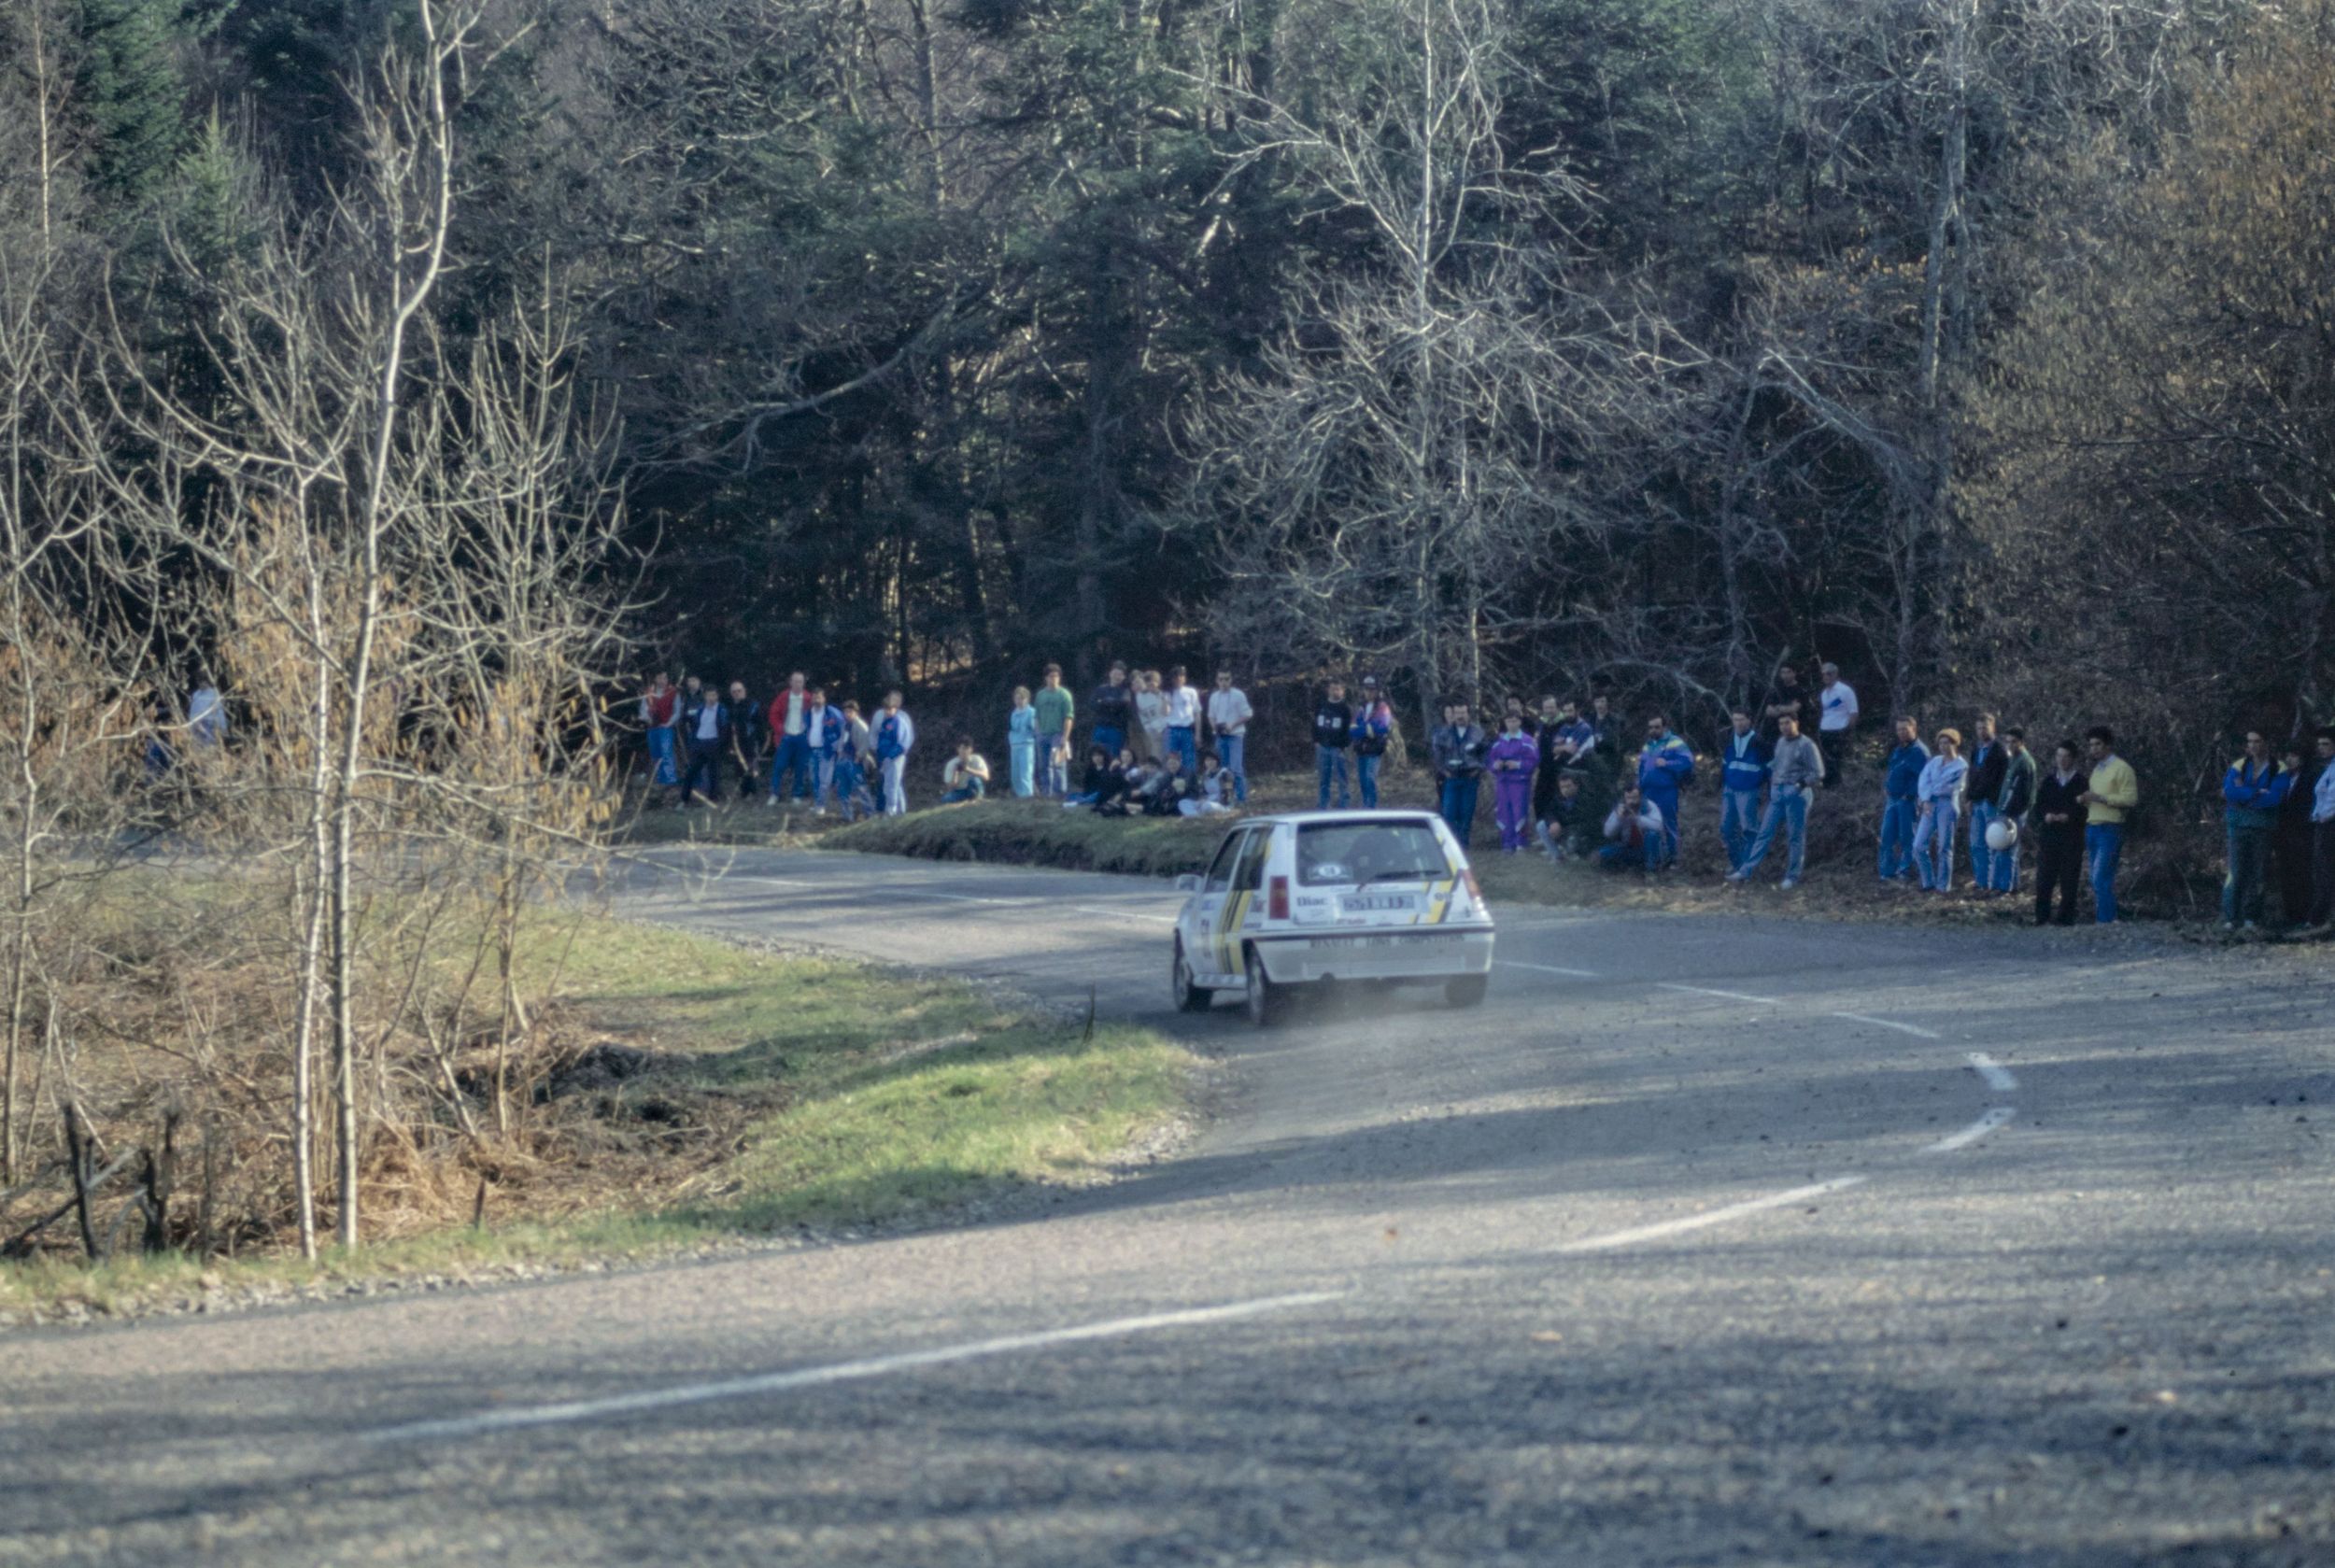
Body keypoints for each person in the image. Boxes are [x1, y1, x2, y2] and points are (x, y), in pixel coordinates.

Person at [1727, 711, 1821, 888]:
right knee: (1764, 832)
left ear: (1796, 723)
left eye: (1787, 723)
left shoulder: (1806, 744)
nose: (1784, 727)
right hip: (1777, 793)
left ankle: (1792, 876)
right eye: (1781, 724)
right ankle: (1746, 870)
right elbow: (1776, 766)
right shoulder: (1780, 742)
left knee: (1795, 836)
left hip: (1797, 795)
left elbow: (1817, 772)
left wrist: (1799, 786)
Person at [2219, 730, 2289, 931]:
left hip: (2263, 827)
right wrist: (2257, 792)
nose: (2253, 746)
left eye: (2257, 741)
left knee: (2258, 873)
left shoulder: (2278, 767)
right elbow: (2230, 792)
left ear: (2266, 743)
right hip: (2238, 825)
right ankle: (2230, 917)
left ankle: (2251, 917)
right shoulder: (2239, 765)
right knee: (2235, 871)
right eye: (2249, 742)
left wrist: (2245, 794)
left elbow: (2274, 798)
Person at [2080, 727, 2139, 923]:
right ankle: (2105, 917)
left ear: (2108, 745)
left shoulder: (2122, 769)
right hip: (2093, 827)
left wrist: (2101, 798)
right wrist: (2087, 800)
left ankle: (2106, 919)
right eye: (2091, 745)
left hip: (2111, 828)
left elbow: (2130, 799)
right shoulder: (2097, 770)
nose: (2093, 749)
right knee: (2095, 878)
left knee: (2101, 876)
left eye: (2097, 744)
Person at [2029, 741, 2088, 926]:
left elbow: (2086, 809)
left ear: (2073, 758)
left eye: (2066, 756)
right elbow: (2038, 806)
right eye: (2059, 756)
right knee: (2045, 877)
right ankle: (2042, 916)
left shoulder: (2081, 782)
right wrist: (2045, 816)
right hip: (2049, 835)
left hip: (2071, 836)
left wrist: (2069, 816)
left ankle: (2066, 917)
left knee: (2069, 877)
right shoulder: (2049, 781)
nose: (2062, 760)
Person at [1635, 714, 1695, 869]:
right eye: (1651, 727)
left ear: (1665, 727)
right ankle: (1652, 859)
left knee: (1669, 824)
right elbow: (1641, 767)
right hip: (1648, 791)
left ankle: (1673, 860)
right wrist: (1638, 786)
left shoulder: (1675, 742)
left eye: (1657, 727)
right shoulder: (1648, 745)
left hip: (1667, 790)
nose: (1653, 730)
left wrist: (1667, 763)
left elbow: (1688, 761)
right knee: (1649, 825)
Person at [1912, 727, 1967, 892]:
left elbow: (1951, 786)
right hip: (1930, 804)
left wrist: (1933, 789)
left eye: (1947, 743)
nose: (1943, 746)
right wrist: (1926, 799)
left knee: (1944, 846)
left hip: (1947, 805)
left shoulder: (1961, 765)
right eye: (1941, 743)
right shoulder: (1935, 761)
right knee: (1919, 845)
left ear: (1955, 744)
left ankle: (1943, 886)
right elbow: (1923, 780)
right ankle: (1928, 882)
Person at [1717, 708, 1772, 871]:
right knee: (1726, 829)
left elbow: (1769, 768)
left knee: (1749, 829)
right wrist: (1720, 783)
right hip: (1730, 789)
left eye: (1741, 720)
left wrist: (1769, 791)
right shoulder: (1728, 738)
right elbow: (1725, 762)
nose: (1738, 723)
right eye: (1735, 720)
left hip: (1749, 790)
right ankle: (1737, 863)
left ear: (1749, 721)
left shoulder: (1759, 742)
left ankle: (1748, 867)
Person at [1988, 727, 2038, 896]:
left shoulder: (2025, 762)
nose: (2010, 745)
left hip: (2014, 813)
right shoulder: (2013, 760)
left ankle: (2005, 888)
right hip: (2005, 810)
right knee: (2003, 848)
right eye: (2008, 741)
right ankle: (2011, 886)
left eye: (2014, 742)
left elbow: (2022, 793)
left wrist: (2010, 813)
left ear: (2022, 742)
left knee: (2008, 849)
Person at [1430, 700, 1488, 848]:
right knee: (1449, 812)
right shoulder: (1444, 733)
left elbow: (1486, 753)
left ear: (1468, 713)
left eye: (1463, 713)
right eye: (1457, 713)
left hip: (1470, 778)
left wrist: (1479, 769)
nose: (1460, 716)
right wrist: (1443, 771)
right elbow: (1437, 755)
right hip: (1451, 777)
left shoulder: (1478, 732)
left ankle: (1464, 845)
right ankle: (1451, 845)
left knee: (1466, 814)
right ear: (1453, 714)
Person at [2275, 742, 2320, 928]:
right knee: (2286, 874)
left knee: (2302, 874)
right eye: (2288, 756)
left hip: (2302, 834)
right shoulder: (2284, 779)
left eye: (2294, 756)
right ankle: (2290, 914)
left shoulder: (2310, 778)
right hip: (2283, 835)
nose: (2289, 760)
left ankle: (2304, 915)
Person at [1878, 717, 1928, 883]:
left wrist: (1910, 794)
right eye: (1899, 730)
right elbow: (1892, 770)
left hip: (1908, 801)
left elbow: (1923, 778)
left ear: (1914, 729)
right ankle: (1886, 872)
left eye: (1905, 729)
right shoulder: (1898, 750)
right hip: (1892, 799)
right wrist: (1887, 786)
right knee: (1887, 836)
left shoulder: (1919, 751)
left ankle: (1905, 871)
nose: (1902, 733)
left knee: (1907, 837)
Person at [1965, 714, 2008, 894]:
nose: (1982, 731)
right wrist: (1968, 797)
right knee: (1977, 844)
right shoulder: (1976, 748)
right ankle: (1981, 881)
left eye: (1985, 727)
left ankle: (1994, 882)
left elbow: (2002, 778)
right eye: (1979, 728)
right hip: (1977, 802)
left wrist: (1996, 798)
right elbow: (1973, 774)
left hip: (1992, 802)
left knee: (1994, 843)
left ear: (1993, 727)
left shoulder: (2000, 749)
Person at [1487, 711, 1538, 854]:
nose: (1512, 724)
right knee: (1504, 812)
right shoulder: (1499, 742)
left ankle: (1520, 843)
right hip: (1503, 782)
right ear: (1505, 723)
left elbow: (1533, 761)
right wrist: (1495, 766)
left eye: (1514, 721)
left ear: (1520, 722)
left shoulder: (1527, 741)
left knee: (1519, 811)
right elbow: (1490, 761)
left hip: (1520, 782)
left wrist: (1518, 765)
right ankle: (1507, 843)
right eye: (1509, 721)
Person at [1205, 671, 1253, 805]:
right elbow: (1211, 715)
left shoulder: (1238, 695)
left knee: (1236, 768)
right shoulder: (1214, 696)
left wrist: (1232, 724)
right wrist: (1214, 727)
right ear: (1217, 680)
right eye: (1221, 679)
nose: (1224, 682)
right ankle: (1226, 797)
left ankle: (1241, 798)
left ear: (1231, 680)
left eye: (1226, 679)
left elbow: (1248, 714)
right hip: (1220, 736)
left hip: (1235, 736)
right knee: (1222, 769)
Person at [765, 672, 813, 804]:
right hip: (785, 737)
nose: (798, 684)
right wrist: (780, 728)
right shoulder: (783, 697)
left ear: (803, 683)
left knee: (800, 767)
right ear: (790, 682)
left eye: (800, 682)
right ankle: (774, 794)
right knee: (779, 766)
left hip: (802, 737)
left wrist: (808, 733)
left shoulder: (809, 698)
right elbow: (773, 713)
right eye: (795, 681)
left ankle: (796, 795)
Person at [681, 680, 729, 805]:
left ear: (717, 696)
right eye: (709, 695)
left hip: (713, 743)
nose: (711, 698)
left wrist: (720, 744)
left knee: (713, 773)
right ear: (705, 696)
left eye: (714, 695)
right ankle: (684, 798)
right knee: (691, 772)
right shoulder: (701, 709)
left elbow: (724, 728)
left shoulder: (722, 710)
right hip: (700, 743)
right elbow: (695, 724)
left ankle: (713, 798)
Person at [1599, 784, 1665, 873]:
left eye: (1634, 798)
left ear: (1640, 797)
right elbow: (1607, 833)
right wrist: (1618, 819)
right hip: (1628, 848)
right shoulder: (1620, 808)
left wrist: (1637, 818)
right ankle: (1624, 868)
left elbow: (1658, 826)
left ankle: (1651, 871)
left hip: (1647, 848)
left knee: (1652, 835)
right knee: (1604, 853)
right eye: (1628, 798)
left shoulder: (1649, 806)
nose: (1631, 801)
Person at [1032, 664, 1075, 798]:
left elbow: (1069, 717)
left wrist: (1065, 737)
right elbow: (1037, 716)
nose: (1054, 679)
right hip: (1043, 734)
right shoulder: (1040, 695)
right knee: (1043, 765)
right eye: (1051, 676)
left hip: (1058, 734)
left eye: (1056, 676)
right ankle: (1047, 793)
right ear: (1046, 678)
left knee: (1058, 764)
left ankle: (1060, 793)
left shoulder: (1064, 695)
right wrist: (1038, 733)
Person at [1351, 676, 1394, 808]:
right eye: (1367, 690)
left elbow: (1381, 728)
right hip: (1361, 748)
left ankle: (1372, 806)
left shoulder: (1383, 707)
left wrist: (1364, 728)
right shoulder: (1361, 707)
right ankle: (1365, 806)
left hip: (1374, 749)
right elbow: (1352, 729)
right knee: (1362, 779)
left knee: (1370, 777)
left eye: (1372, 690)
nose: (1369, 692)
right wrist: (1367, 729)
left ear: (1377, 691)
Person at [1312, 680, 1354, 811]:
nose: (1335, 691)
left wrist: (1343, 746)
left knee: (1342, 777)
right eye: (1333, 689)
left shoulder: (1345, 709)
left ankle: (1344, 805)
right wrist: (1316, 741)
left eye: (1338, 689)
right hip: (1322, 747)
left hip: (1338, 748)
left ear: (1343, 691)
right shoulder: (1321, 705)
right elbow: (1314, 724)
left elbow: (1349, 730)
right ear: (1328, 690)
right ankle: (1323, 805)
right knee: (1324, 778)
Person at [803, 684, 845, 812]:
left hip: (826, 750)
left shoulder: (832, 713)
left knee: (824, 780)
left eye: (819, 697)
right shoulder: (808, 714)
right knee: (814, 778)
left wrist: (838, 746)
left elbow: (843, 729)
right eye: (814, 697)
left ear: (824, 699)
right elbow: (805, 729)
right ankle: (817, 804)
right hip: (812, 750)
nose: (817, 700)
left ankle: (821, 806)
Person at [721, 681, 765, 799]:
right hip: (736, 743)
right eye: (734, 691)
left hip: (751, 741)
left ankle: (753, 792)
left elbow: (760, 724)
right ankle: (744, 792)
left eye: (739, 691)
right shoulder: (730, 708)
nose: (737, 693)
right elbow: (728, 727)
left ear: (744, 691)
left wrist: (761, 741)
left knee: (751, 766)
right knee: (739, 768)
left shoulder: (753, 705)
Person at [1817, 662, 1858, 787]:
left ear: (1835, 674)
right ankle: (1827, 785)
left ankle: (1837, 786)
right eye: (1823, 674)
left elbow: (1853, 712)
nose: (1826, 677)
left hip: (1840, 730)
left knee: (1837, 760)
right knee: (1826, 759)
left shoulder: (1845, 690)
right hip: (1825, 730)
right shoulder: (1824, 693)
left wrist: (1847, 731)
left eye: (1829, 674)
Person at [2309, 728, 2335, 929]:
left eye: (2325, 744)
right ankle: (2321, 915)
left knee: (2327, 871)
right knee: (2321, 871)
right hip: (2322, 823)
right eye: (2319, 745)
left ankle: (2324, 916)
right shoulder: (2328, 768)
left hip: (2330, 824)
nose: (2321, 748)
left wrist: (2327, 816)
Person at [875, 690, 915, 815]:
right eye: (886, 709)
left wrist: (891, 755)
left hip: (896, 758)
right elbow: (881, 741)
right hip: (886, 758)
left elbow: (904, 743)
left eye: (890, 709)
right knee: (892, 785)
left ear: (895, 708)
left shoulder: (899, 722)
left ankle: (891, 810)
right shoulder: (885, 722)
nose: (888, 711)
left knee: (893, 784)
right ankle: (901, 811)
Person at [834, 701, 875, 822]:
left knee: (860, 787)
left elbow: (866, 743)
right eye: (846, 712)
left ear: (856, 713)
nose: (847, 714)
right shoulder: (845, 725)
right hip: (843, 759)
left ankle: (870, 814)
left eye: (850, 712)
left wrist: (859, 756)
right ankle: (847, 816)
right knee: (842, 788)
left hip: (855, 760)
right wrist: (840, 753)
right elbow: (842, 740)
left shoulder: (861, 725)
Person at [641, 672, 679, 798]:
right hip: (652, 728)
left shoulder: (673, 692)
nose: (663, 680)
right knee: (655, 754)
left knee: (666, 753)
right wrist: (648, 719)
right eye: (660, 678)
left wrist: (669, 723)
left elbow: (677, 710)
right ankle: (659, 782)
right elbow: (643, 709)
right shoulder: (649, 692)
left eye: (665, 678)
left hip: (666, 728)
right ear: (655, 679)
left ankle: (670, 782)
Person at [1162, 666, 1201, 776]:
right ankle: (1171, 784)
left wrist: (1198, 734)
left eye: (1181, 676)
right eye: (1176, 677)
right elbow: (1166, 712)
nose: (1179, 679)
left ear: (1184, 678)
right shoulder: (1167, 692)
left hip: (1187, 729)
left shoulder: (1191, 692)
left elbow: (1197, 713)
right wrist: (1166, 696)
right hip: (1172, 730)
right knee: (1171, 760)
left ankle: (1190, 784)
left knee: (1189, 760)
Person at [1091, 662, 1134, 760]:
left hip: (1116, 729)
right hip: (1100, 727)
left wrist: (1104, 702)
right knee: (1097, 755)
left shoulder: (1125, 691)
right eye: (1114, 673)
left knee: (1114, 757)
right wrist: (1111, 703)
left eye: (1119, 674)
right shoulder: (1101, 689)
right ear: (1110, 674)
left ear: (1123, 677)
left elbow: (1122, 705)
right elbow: (1092, 704)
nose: (1116, 676)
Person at [1541, 771, 1588, 860]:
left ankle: (1577, 853)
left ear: (1576, 785)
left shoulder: (1585, 798)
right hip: (1564, 827)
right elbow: (1549, 812)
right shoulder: (1558, 797)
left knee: (1572, 840)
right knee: (1541, 825)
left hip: (1579, 829)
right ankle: (1556, 856)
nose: (1565, 790)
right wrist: (1553, 822)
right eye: (1562, 787)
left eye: (1568, 786)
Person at [1007, 686, 1038, 798]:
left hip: (1026, 745)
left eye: (1021, 699)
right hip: (1015, 745)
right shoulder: (1013, 713)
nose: (1019, 701)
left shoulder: (1032, 712)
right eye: (1017, 699)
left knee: (1025, 772)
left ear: (1027, 699)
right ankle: (1019, 795)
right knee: (1015, 773)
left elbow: (1035, 729)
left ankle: (1027, 795)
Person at [941, 737, 991, 804]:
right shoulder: (951, 764)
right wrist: (956, 773)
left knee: (973, 780)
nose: (963, 751)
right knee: (946, 798)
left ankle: (976, 798)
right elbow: (950, 788)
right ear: (957, 749)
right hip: (960, 791)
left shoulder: (977, 759)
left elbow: (986, 777)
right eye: (961, 748)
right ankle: (966, 800)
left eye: (966, 748)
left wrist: (968, 769)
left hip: (973, 788)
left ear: (971, 750)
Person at [1135, 670, 1169, 762]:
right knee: (1156, 756)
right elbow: (1142, 715)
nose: (1150, 685)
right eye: (1148, 682)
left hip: (1166, 728)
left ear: (1158, 683)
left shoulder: (1165, 694)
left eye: (1152, 682)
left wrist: (1162, 697)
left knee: (1169, 754)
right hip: (1153, 731)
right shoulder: (1139, 696)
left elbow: (1166, 713)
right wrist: (1148, 729)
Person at [188, 676, 227, 750]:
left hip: (212, 725)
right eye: (199, 682)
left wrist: (222, 727)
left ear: (207, 682)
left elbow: (219, 712)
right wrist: (194, 723)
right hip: (198, 725)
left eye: (202, 682)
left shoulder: (214, 693)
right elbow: (194, 710)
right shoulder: (196, 695)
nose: (201, 684)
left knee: (213, 745)